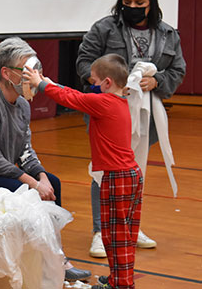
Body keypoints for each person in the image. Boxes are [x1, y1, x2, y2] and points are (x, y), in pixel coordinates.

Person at [0, 36, 91, 282]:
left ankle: (54, 259)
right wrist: (32, 183)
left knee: (53, 183)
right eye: (28, 69)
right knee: (26, 191)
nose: (36, 75)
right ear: (7, 73)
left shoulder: (22, 105)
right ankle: (43, 262)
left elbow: (25, 151)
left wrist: (41, 176)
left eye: (37, 69)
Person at [76, 0, 186, 258]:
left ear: (152, 5)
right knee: (105, 170)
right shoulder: (103, 28)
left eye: (140, 3)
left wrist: (158, 81)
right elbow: (84, 63)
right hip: (108, 110)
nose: (133, 7)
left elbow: (177, 70)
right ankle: (101, 231)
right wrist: (109, 83)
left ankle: (129, 227)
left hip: (147, 111)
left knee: (135, 170)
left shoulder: (167, 33)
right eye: (127, 2)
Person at [24, 53, 143, 289]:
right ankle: (120, 278)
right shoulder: (119, 101)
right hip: (130, 175)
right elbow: (73, 93)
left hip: (117, 177)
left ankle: (121, 284)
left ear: (107, 83)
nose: (92, 87)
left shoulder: (103, 102)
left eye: (94, 82)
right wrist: (48, 82)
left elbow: (72, 98)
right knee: (124, 234)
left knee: (115, 235)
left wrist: (42, 85)